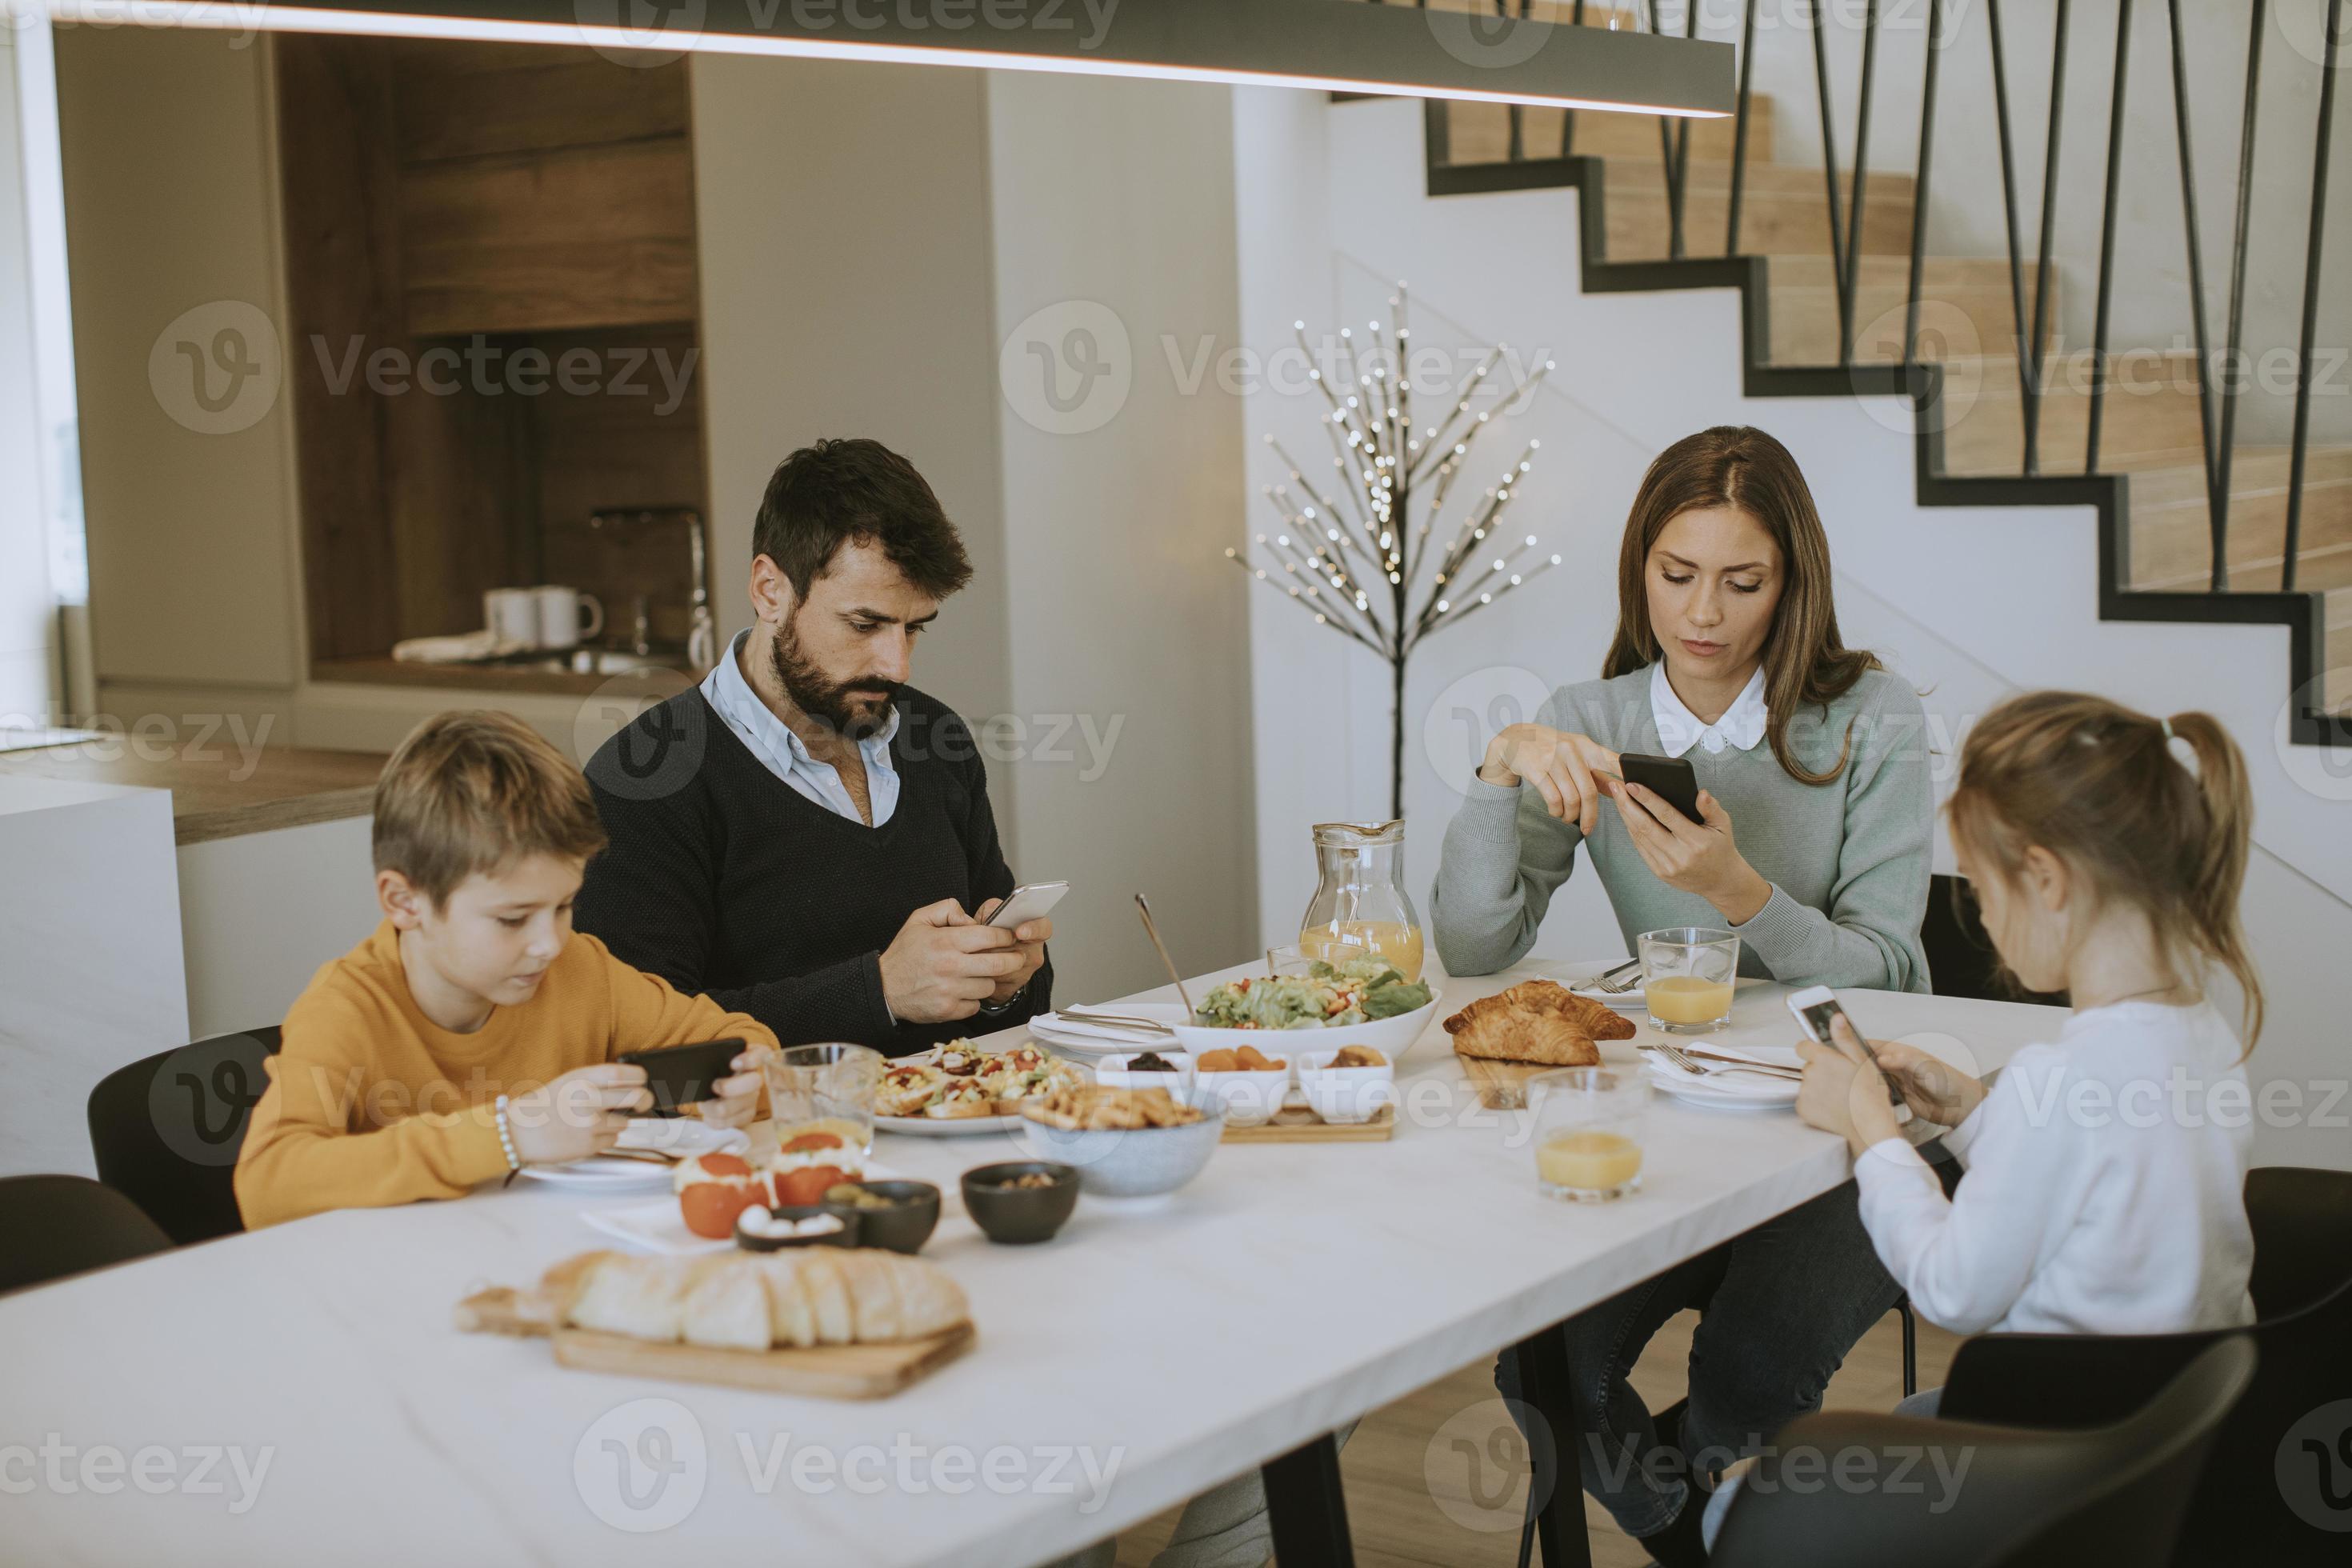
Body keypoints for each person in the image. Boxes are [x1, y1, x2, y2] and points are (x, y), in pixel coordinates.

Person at [1433, 426, 1933, 1565]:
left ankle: (1715, 1504)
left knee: (1749, 1376)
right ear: (1638, 572)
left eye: (1743, 581)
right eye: (1676, 575)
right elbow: (1473, 947)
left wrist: (1742, 891)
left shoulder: (1874, 718)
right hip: (1678, 1117)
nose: (1703, 612)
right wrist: (1501, 764)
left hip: (1848, 1121)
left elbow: (1896, 973)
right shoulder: (1591, 721)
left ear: (1789, 584)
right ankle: (1709, 1537)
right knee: (1542, 1371)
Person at [1706, 690, 2262, 1546]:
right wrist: (1968, 1112)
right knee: (1907, 1414)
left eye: (1983, 887)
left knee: (1733, 1502)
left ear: (2046, 879)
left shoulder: (2065, 1073)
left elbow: (1953, 1286)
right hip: (2147, 1444)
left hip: (2048, 1463)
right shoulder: (2202, 1036)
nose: (1984, 920)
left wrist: (1873, 1133)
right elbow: (2096, 1179)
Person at [574, 438, 1053, 1055]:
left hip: (954, 1127)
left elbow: (1015, 1021)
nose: (897, 665)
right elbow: (635, 1043)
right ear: (771, 589)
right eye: (865, 624)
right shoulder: (644, 778)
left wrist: (1005, 984)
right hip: (771, 1145)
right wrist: (878, 991)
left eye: (913, 628)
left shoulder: (939, 739)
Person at [236, 712, 774, 1229]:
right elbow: (268, 1185)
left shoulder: (579, 968)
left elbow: (740, 1039)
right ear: (404, 902)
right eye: (512, 919)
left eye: (564, 907)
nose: (549, 943)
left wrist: (745, 1085)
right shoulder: (347, 1009)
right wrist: (510, 1133)